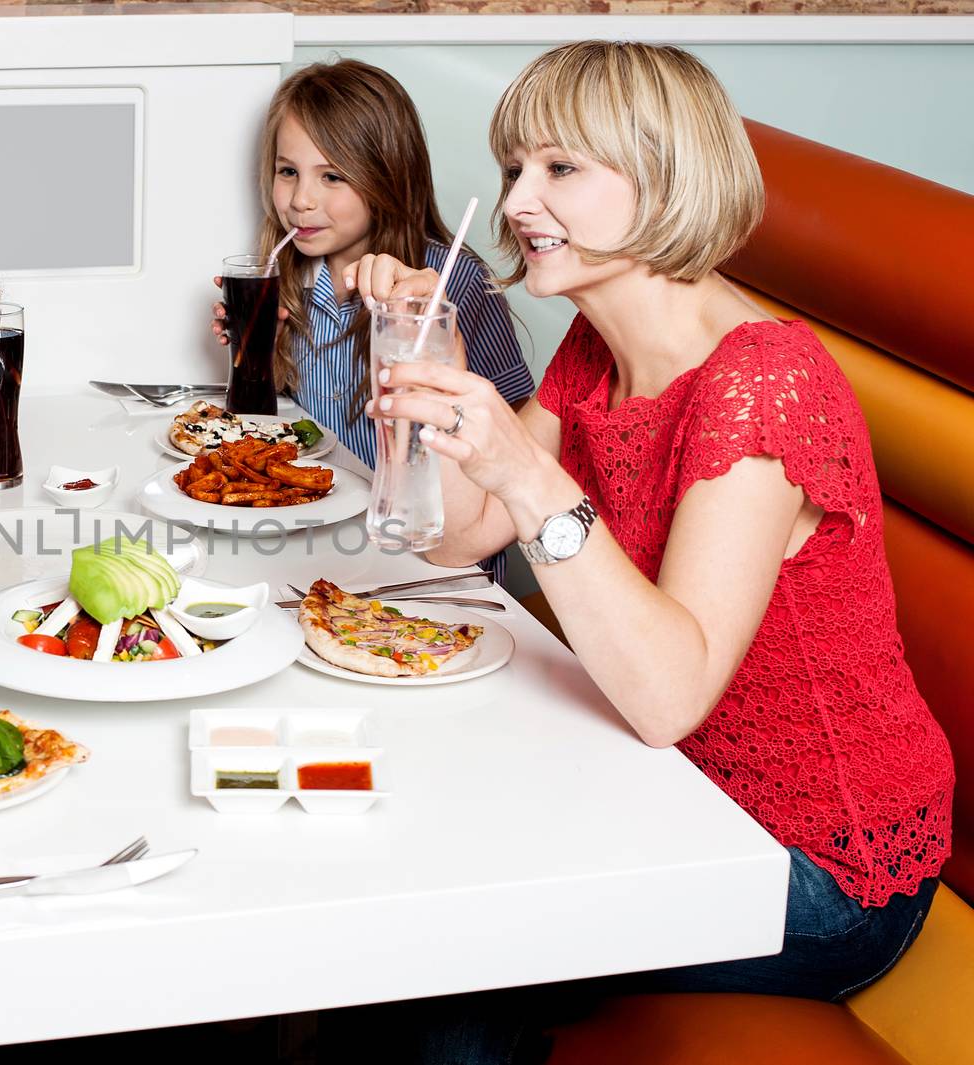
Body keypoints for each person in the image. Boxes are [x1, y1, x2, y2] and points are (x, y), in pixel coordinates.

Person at [346, 41, 954, 1062]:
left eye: (559, 168)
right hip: (667, 799)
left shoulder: (762, 386)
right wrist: (437, 376)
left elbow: (669, 695)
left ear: (665, 178)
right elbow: (454, 540)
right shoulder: (596, 350)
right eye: (513, 170)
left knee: (446, 964)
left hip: (818, 863)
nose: (517, 201)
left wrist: (530, 474)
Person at [211, 58, 534, 582]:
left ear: (387, 178)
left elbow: (517, 430)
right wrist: (260, 352)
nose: (300, 200)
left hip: (425, 558)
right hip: (322, 534)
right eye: (288, 171)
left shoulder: (449, 284)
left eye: (333, 176)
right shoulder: (295, 275)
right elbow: (308, 425)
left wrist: (429, 344)